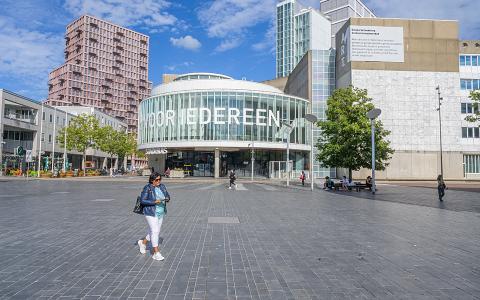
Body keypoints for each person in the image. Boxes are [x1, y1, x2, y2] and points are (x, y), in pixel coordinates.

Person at [137, 172, 170, 261]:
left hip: (160, 212)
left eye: (160, 179)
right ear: (152, 180)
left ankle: (142, 243)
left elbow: (167, 195)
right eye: (157, 180)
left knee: (155, 231)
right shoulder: (147, 188)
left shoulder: (162, 186)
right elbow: (143, 200)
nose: (159, 181)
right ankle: (156, 253)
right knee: (155, 231)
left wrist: (167, 198)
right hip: (151, 212)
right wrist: (154, 202)